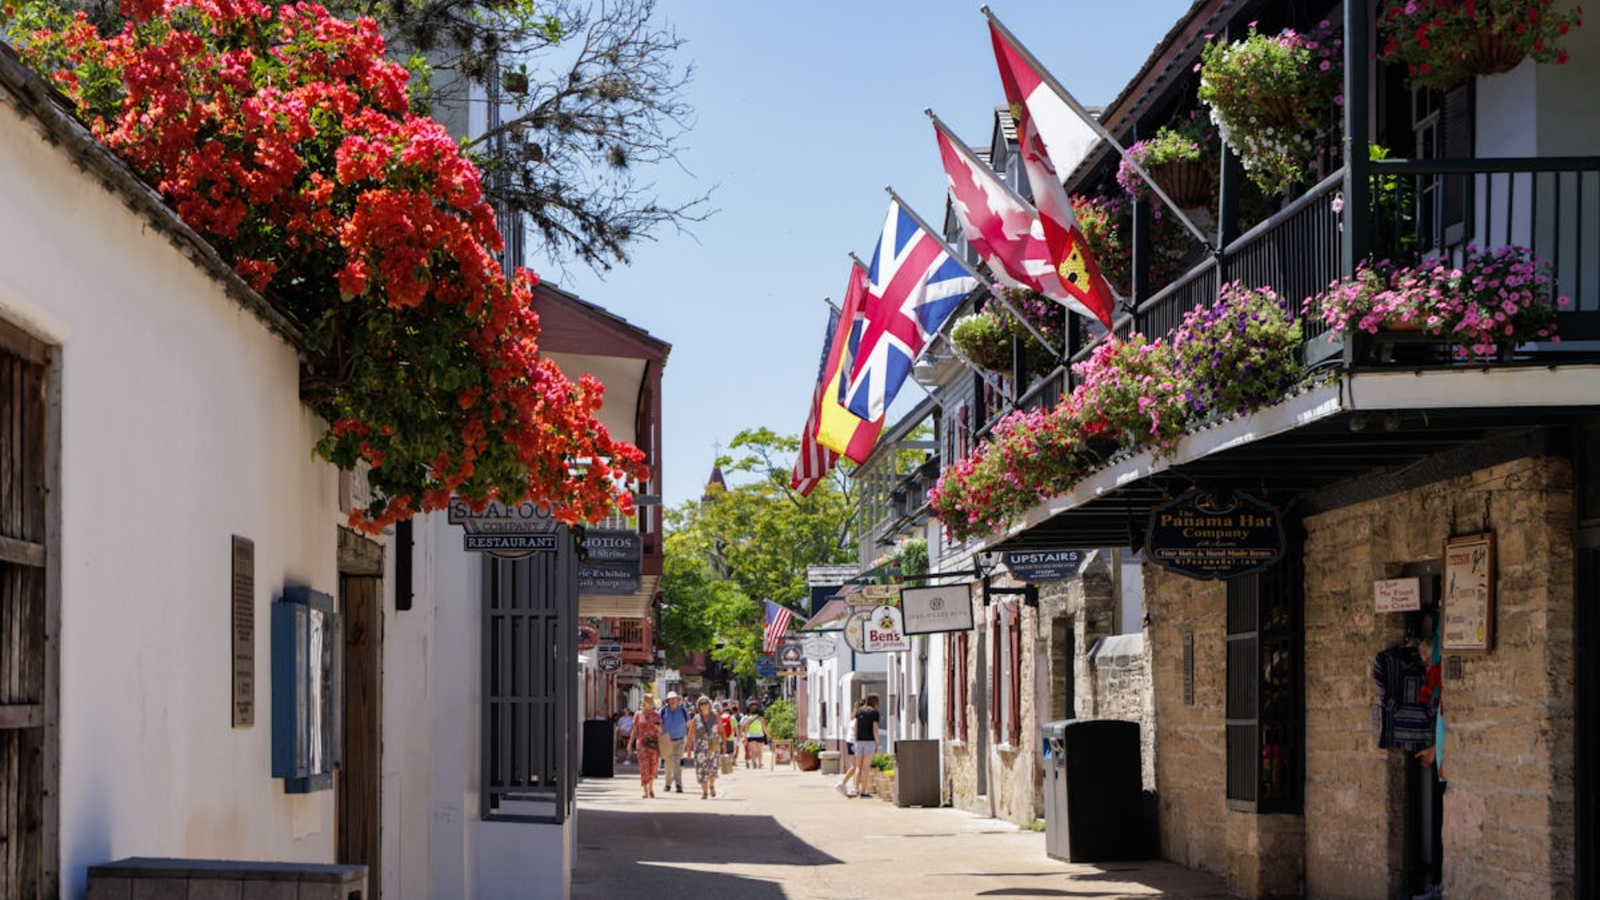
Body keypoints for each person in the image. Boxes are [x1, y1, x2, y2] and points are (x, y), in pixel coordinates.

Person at [837, 694, 880, 797]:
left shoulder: (860, 711)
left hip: (858, 741)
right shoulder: (874, 713)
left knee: (858, 767)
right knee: (865, 767)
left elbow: (856, 726)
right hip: (869, 741)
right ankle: (863, 790)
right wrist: (877, 743)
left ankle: (856, 789)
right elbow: (875, 728)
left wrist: (856, 739)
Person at [686, 695, 722, 799]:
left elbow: (721, 730)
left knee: (713, 769)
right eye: (701, 704)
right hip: (700, 747)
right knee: (701, 769)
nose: (704, 705)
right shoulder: (696, 718)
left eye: (706, 703)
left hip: (713, 744)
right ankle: (705, 792)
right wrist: (688, 750)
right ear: (699, 706)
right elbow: (691, 734)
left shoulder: (715, 716)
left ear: (709, 704)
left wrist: (724, 743)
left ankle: (711, 785)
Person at [657, 691, 691, 793]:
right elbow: (657, 724)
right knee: (667, 764)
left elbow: (689, 725)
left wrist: (689, 740)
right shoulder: (663, 711)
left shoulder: (683, 711)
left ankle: (678, 785)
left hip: (680, 740)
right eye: (670, 699)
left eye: (674, 699)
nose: (672, 701)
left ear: (677, 700)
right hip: (666, 740)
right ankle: (667, 784)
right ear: (667, 700)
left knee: (676, 762)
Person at [628, 697, 662, 798]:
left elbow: (661, 730)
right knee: (644, 766)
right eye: (646, 703)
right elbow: (634, 730)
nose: (648, 705)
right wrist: (630, 744)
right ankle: (645, 789)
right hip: (641, 744)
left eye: (650, 703)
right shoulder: (638, 714)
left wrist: (658, 728)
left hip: (654, 744)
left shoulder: (656, 715)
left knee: (653, 766)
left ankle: (651, 786)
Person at [741, 700, 768, 769]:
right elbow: (764, 728)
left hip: (751, 735)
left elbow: (746, 728)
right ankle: (760, 763)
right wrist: (768, 735)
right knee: (760, 751)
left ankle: (753, 764)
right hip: (759, 735)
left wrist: (745, 737)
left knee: (752, 751)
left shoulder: (748, 718)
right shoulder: (761, 718)